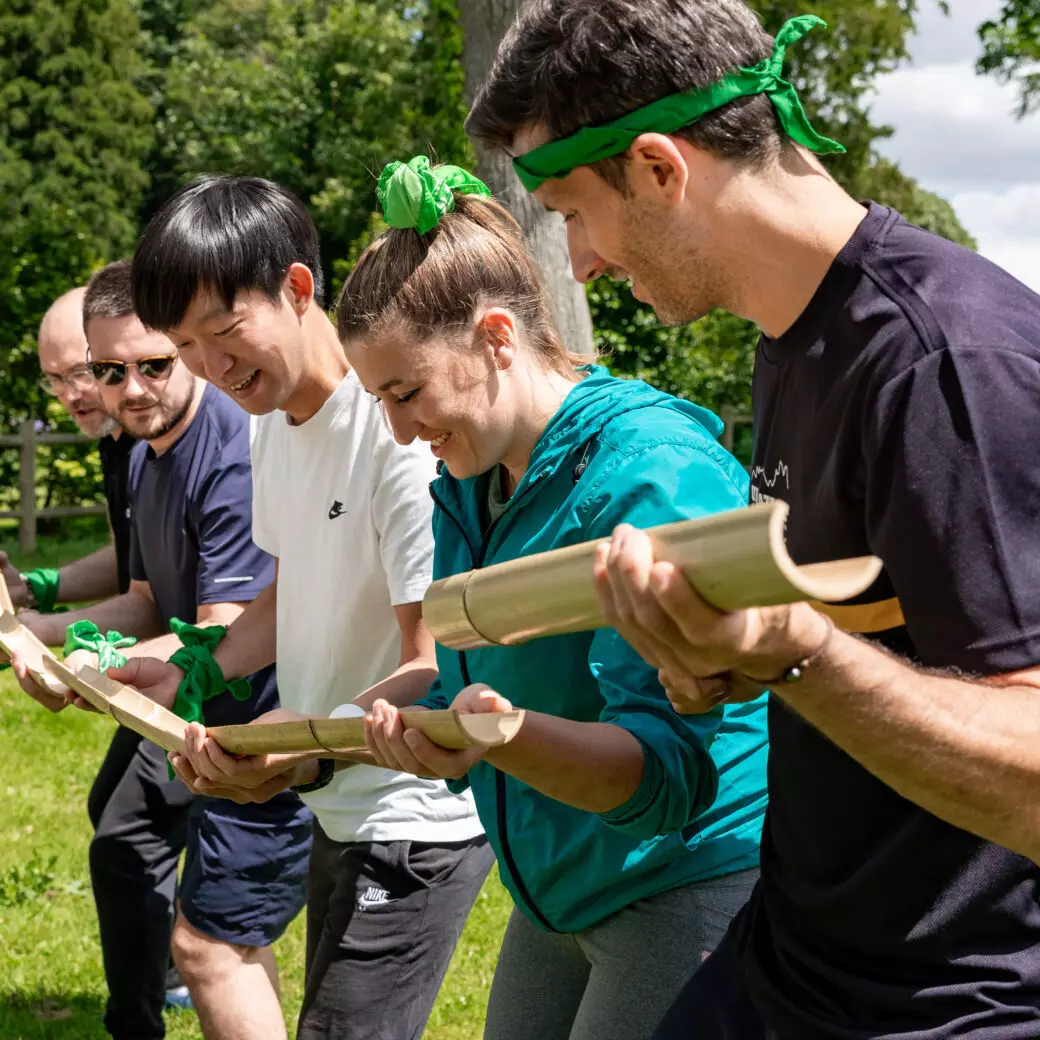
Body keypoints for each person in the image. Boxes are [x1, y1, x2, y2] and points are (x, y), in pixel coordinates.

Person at [464, 2, 1040, 1038]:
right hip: (798, 954)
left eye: (569, 211)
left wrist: (791, 655)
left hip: (949, 1003)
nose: (580, 262)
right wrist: (720, 658)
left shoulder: (943, 362)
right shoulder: (792, 335)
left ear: (655, 167)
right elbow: (877, 627)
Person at [342, 158, 769, 1040]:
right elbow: (499, 679)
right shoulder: (471, 477)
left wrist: (495, 736)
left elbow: (665, 775)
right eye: (381, 401)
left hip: (683, 877)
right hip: (559, 887)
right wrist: (391, 727)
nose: (399, 430)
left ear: (497, 336)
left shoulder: (651, 472)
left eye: (407, 392)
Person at [117, 173, 492, 1040]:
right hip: (339, 802)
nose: (212, 369)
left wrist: (301, 752)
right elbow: (293, 593)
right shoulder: (269, 419)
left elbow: (431, 665)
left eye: (223, 331)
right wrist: (190, 669)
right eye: (187, 347)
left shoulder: (394, 430)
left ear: (296, 287)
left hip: (412, 819)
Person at [10, 260, 313, 1040]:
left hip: (252, 723)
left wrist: (83, 663)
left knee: (176, 899)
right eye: (108, 371)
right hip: (188, 708)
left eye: (152, 365)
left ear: (185, 349)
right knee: (202, 918)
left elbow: (218, 630)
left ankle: (137, 1020)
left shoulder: (228, 448)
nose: (128, 390)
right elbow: (143, 600)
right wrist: (34, 626)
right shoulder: (143, 453)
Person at [3, 286, 133, 615]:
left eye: (80, 372)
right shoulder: (113, 439)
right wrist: (34, 587)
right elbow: (132, 558)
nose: (70, 395)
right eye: (55, 378)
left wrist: (46, 630)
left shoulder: (162, 440)